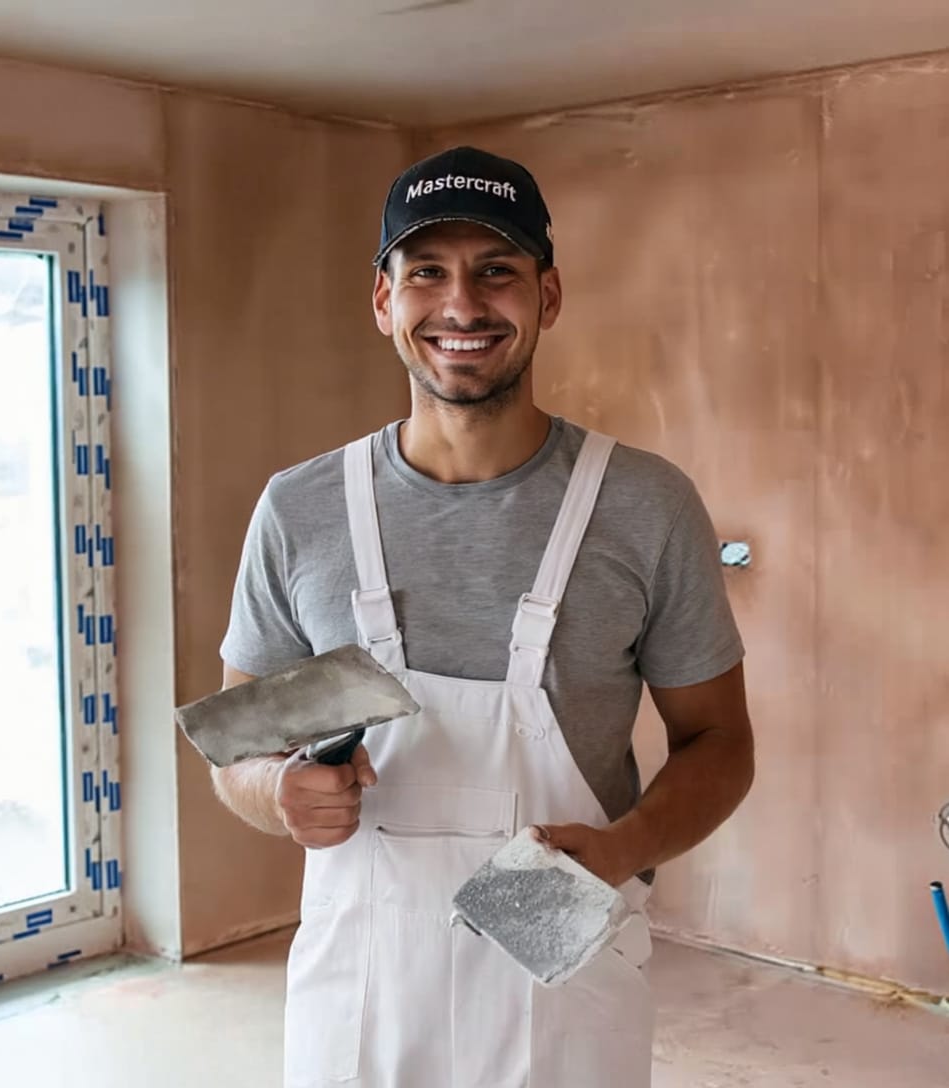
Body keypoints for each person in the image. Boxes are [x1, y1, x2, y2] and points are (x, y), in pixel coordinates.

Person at [211, 146, 755, 1088]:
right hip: (362, 980)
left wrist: (623, 848)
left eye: (495, 271)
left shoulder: (641, 505)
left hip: (560, 964)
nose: (461, 306)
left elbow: (719, 740)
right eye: (427, 272)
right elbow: (240, 747)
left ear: (546, 297)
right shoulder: (302, 510)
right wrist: (278, 792)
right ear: (383, 300)